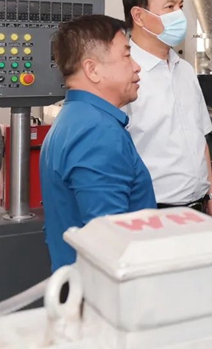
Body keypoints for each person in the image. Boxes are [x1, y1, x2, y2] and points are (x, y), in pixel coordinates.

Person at [40, 14, 156, 271]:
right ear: (92, 70)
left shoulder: (74, 119)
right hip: (105, 290)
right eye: (127, 55)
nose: (136, 66)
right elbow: (111, 246)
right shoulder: (98, 133)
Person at [120, 0, 212, 221]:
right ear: (139, 16)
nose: (179, 14)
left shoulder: (185, 70)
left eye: (180, 6)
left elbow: (199, 140)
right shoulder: (123, 74)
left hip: (197, 210)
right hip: (149, 213)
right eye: (169, 7)